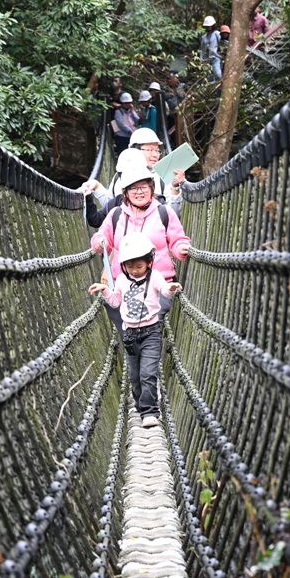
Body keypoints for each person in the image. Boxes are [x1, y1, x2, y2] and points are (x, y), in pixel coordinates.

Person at [89, 233, 181, 427]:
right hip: (130, 335)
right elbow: (115, 301)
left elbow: (163, 290)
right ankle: (141, 406)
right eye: (130, 267)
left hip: (151, 333)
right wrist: (105, 290)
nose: (135, 270)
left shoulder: (154, 276)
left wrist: (171, 288)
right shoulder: (122, 280)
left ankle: (150, 411)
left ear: (149, 262)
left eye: (139, 266)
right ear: (123, 265)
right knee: (135, 377)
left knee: (148, 373)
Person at [90, 166, 190, 322]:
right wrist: (98, 242)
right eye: (134, 189)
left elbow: (178, 240)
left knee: (150, 328)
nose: (139, 192)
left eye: (144, 187)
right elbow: (103, 237)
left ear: (151, 189)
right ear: (126, 193)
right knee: (129, 335)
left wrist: (181, 249)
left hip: (158, 284)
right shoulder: (116, 214)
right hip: (122, 285)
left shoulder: (164, 212)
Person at [199, 16, 222, 80]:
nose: (208, 28)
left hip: (215, 58)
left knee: (218, 74)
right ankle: (213, 89)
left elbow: (223, 42)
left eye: (209, 26)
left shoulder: (216, 33)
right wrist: (201, 59)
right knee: (209, 77)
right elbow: (202, 50)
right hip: (206, 60)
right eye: (206, 26)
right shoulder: (204, 37)